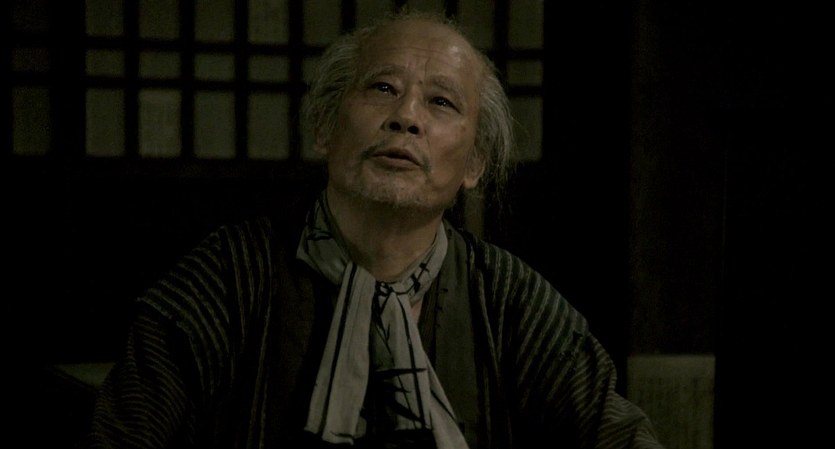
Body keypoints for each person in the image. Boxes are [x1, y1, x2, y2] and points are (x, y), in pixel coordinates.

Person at [83, 10, 665, 449]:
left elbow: (616, 432)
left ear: (473, 165)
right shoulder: (231, 275)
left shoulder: (509, 300)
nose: (405, 116)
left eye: (441, 102)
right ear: (324, 127)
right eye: (383, 88)